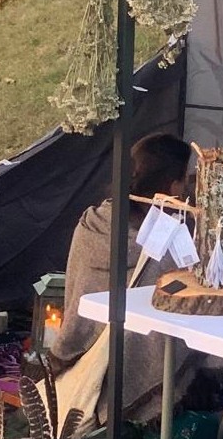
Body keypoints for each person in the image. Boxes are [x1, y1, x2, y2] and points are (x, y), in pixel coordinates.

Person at [50, 132, 207, 424]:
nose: (188, 187)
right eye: (185, 180)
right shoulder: (163, 247)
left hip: (83, 349)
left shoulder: (92, 221)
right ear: (173, 187)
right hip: (103, 362)